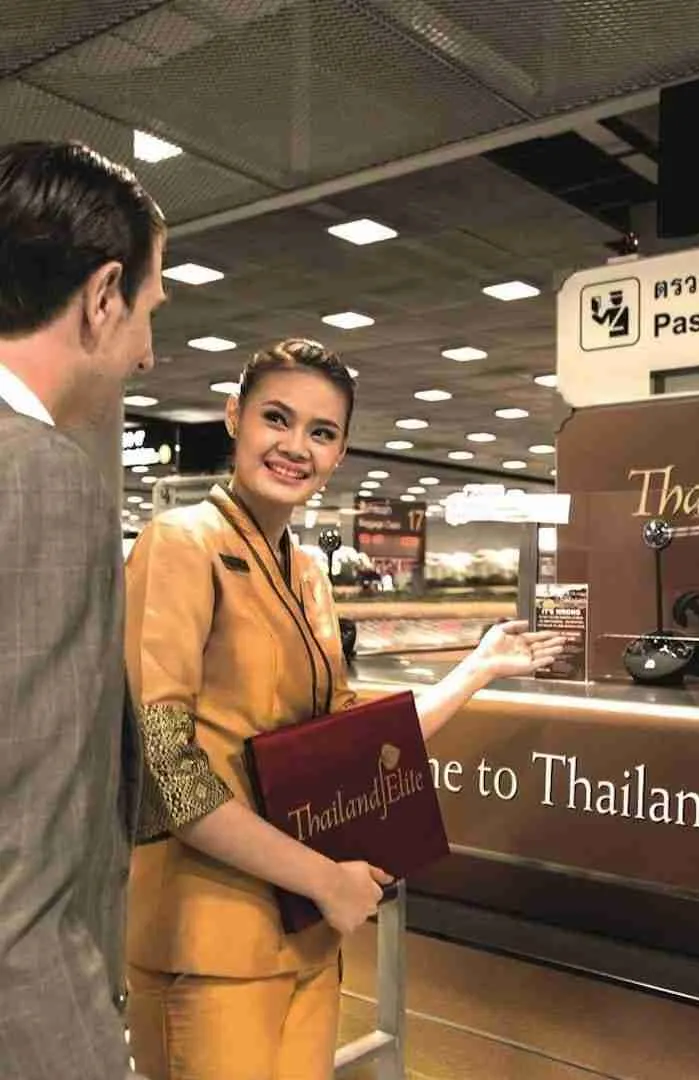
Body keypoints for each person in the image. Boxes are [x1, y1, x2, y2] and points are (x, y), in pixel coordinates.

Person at [123, 338, 564, 1080]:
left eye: (322, 433)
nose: (296, 447)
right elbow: (167, 769)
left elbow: (352, 745)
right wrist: (324, 879)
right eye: (277, 419)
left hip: (305, 932)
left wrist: (477, 668)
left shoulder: (305, 574)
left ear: (341, 450)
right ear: (234, 417)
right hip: (210, 937)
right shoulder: (181, 543)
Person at [0, 141, 166, 1078]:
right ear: (104, 296)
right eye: (150, 308)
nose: (148, 350)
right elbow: (20, 893)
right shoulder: (43, 480)